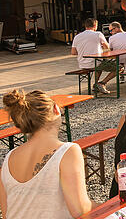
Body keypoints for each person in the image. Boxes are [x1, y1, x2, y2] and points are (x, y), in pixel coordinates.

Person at [0, 90, 93, 219]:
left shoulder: (9, 158)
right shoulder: (67, 151)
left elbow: (7, 214)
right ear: (56, 109)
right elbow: (80, 210)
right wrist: (109, 204)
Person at [71, 18, 110, 94]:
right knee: (119, 67)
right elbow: (107, 47)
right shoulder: (98, 34)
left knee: (98, 65)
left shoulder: (77, 36)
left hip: (82, 64)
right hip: (96, 63)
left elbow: (73, 52)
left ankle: (96, 85)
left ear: (85, 26)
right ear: (95, 26)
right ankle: (101, 83)